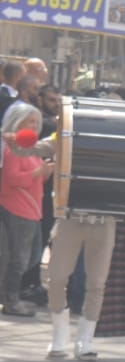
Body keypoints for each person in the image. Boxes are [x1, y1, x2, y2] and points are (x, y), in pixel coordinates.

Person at [0, 102, 53, 317]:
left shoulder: (31, 148)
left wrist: (45, 170)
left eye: (35, 121)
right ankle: (11, 300)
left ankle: (11, 296)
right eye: (29, 121)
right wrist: (39, 171)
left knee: (30, 258)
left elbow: (38, 177)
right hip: (16, 206)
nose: (34, 125)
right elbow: (12, 178)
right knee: (19, 258)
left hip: (32, 208)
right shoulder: (13, 149)